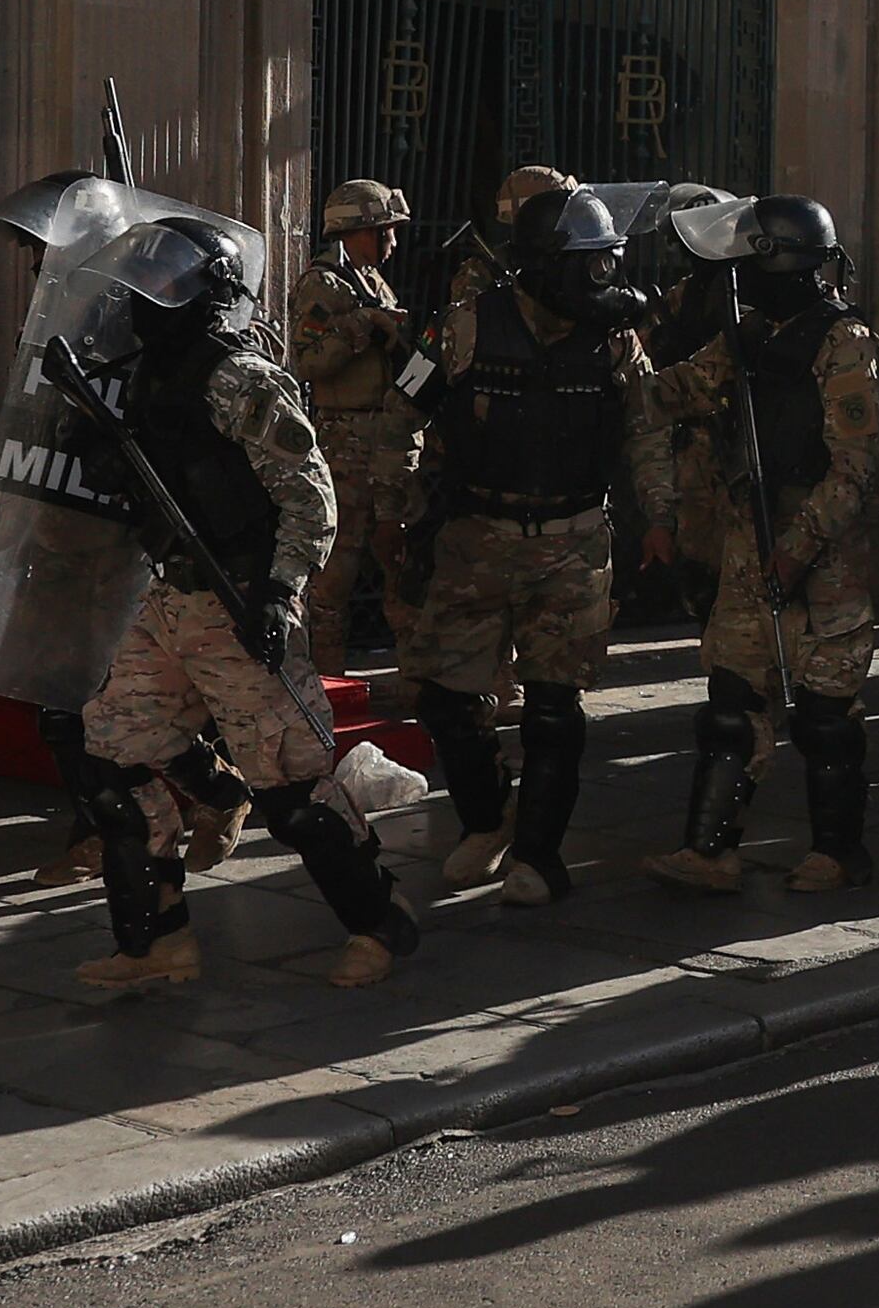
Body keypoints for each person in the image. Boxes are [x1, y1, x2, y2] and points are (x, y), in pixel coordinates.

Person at [55, 214, 429, 996]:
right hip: (172, 595)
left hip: (241, 598)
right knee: (113, 757)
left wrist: (280, 592)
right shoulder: (146, 371)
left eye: (163, 286)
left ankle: (379, 920)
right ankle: (156, 941)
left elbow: (311, 498)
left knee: (294, 795)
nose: (147, 301)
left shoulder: (239, 378)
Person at [410, 183, 677, 901]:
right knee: (443, 696)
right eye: (587, 265)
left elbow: (646, 430)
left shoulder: (615, 340)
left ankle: (537, 853)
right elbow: (402, 410)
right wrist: (393, 505)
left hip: (575, 540)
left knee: (555, 707)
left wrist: (660, 514)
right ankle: (486, 816)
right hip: (478, 536)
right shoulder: (465, 325)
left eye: (607, 263)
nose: (604, 280)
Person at [640, 198, 879, 895]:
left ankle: (838, 852)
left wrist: (800, 545)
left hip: (822, 551)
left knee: (826, 713)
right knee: (730, 700)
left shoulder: (845, 341)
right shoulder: (748, 336)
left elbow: (855, 468)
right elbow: (677, 390)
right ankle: (710, 849)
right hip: (751, 540)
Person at [291, 178, 426, 658]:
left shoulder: (373, 281)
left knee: (404, 563)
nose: (392, 242)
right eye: (383, 231)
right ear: (355, 231)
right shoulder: (323, 284)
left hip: (391, 439)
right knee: (334, 573)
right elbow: (306, 362)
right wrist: (360, 326)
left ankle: (420, 685)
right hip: (346, 439)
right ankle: (327, 681)